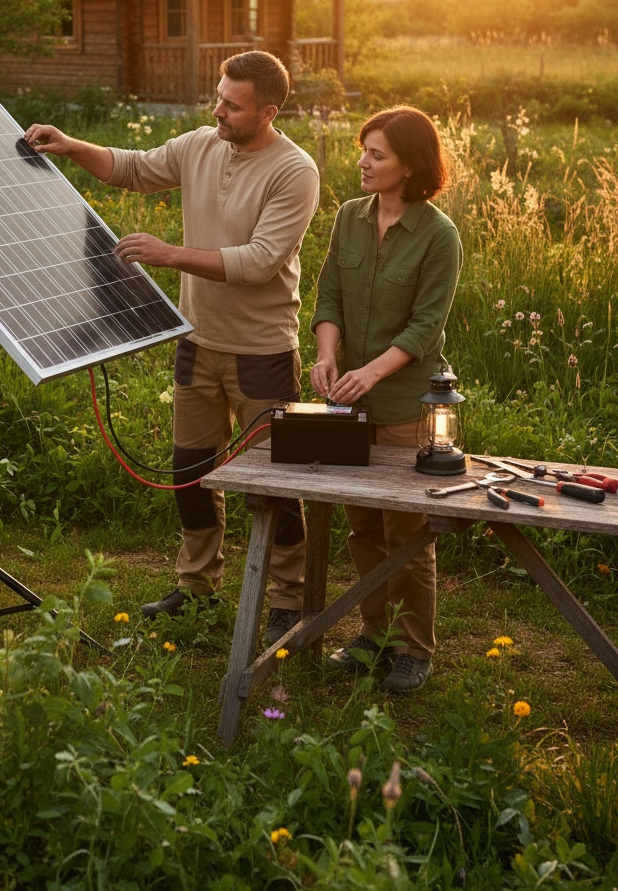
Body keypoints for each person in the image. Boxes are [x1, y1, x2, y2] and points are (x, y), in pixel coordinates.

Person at [25, 51, 319, 644]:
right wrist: (72, 146)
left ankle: (288, 601)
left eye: (232, 105)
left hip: (261, 351)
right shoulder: (200, 145)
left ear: (269, 111)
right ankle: (197, 587)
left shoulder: (295, 171)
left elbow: (261, 262)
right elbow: (133, 167)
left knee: (275, 484)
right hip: (196, 341)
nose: (218, 111)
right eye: (218, 97)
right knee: (191, 472)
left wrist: (169, 254)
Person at [309, 105, 462, 693]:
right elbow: (328, 296)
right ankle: (373, 636)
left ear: (410, 166)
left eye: (377, 154)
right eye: (363, 150)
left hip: (402, 405)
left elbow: (425, 327)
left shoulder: (439, 235)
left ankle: (413, 649)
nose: (363, 162)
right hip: (349, 402)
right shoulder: (348, 217)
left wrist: (369, 374)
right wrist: (328, 355)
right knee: (362, 528)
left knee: (406, 533)